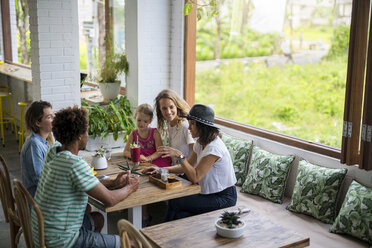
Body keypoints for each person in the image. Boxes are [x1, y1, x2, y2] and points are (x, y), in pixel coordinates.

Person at [31, 106, 140, 248]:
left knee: (98, 219)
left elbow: (83, 182)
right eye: (87, 131)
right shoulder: (74, 164)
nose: (88, 135)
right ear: (79, 136)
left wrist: (113, 182)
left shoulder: (54, 150)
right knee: (132, 244)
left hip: (42, 231)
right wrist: (130, 187)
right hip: (60, 241)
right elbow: (110, 199)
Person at [143, 104, 237, 221]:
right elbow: (186, 167)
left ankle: (159, 234)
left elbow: (195, 177)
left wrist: (179, 155)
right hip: (208, 193)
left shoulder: (214, 148)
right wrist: (160, 169)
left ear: (202, 126)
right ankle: (162, 235)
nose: (189, 127)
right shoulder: (201, 142)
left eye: (192, 124)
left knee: (176, 201)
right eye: (189, 123)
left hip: (223, 197)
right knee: (180, 213)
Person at [20, 101, 54, 197]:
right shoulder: (34, 144)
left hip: (44, 196)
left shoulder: (45, 141)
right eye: (49, 117)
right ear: (38, 123)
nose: (54, 119)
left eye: (53, 115)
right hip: (38, 202)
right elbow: (38, 179)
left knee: (84, 207)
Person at [154, 89, 194, 165]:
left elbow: (196, 154)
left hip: (185, 173)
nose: (168, 112)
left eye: (171, 107)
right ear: (160, 110)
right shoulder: (169, 124)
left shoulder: (185, 126)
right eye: (164, 108)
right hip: (176, 169)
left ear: (177, 106)